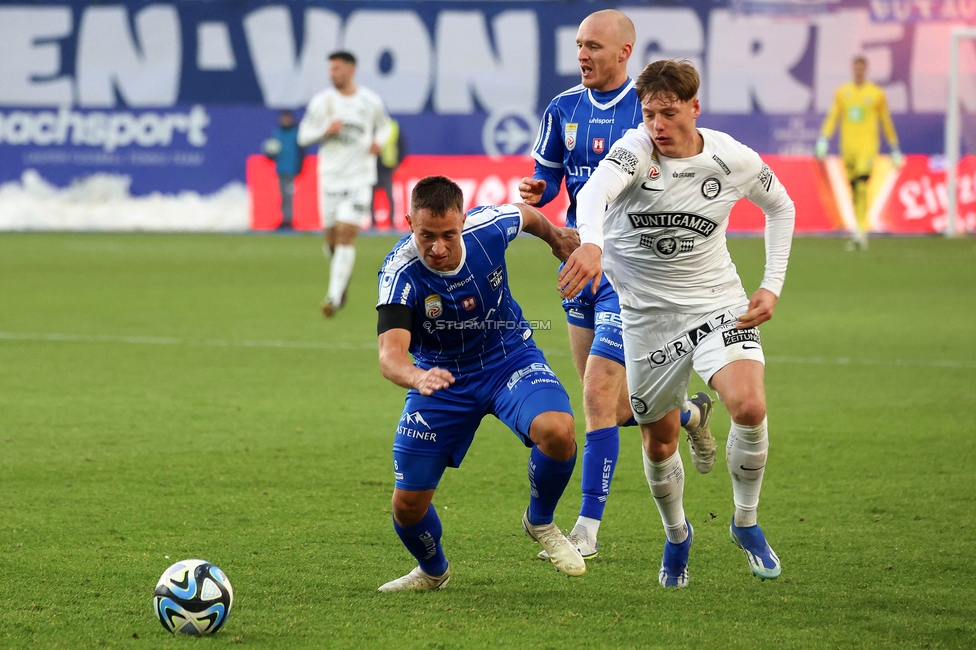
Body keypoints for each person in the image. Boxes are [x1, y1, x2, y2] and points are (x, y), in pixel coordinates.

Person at [559, 59, 795, 588]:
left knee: (750, 405)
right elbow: (592, 193)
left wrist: (771, 284)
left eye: (668, 113)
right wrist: (592, 241)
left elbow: (780, 206)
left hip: (716, 304)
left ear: (695, 107)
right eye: (649, 114)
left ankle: (745, 522)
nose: (657, 125)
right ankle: (677, 535)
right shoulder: (634, 150)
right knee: (659, 441)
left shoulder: (731, 157)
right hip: (645, 319)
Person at [519, 9, 713, 561]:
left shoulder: (646, 108)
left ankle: (587, 528)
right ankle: (692, 414)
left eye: (594, 46)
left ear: (625, 52)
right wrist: (540, 188)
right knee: (614, 403)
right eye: (579, 44)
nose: (583, 54)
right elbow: (552, 177)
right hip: (581, 263)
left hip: (629, 269)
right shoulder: (562, 109)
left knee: (599, 395)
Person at [375, 176, 585, 591]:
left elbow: (526, 216)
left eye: (448, 235)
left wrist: (556, 238)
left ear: (464, 221)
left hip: (508, 357)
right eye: (426, 236)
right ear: (408, 223)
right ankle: (433, 572)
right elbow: (390, 356)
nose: (437, 247)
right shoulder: (399, 273)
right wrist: (418, 376)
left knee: (558, 430)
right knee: (407, 506)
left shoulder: (488, 226)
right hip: (441, 378)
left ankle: (540, 522)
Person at [298, 51, 391, 317]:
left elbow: (385, 127)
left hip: (360, 177)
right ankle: (342, 278)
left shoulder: (370, 101)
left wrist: (379, 142)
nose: (332, 73)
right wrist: (324, 130)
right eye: (330, 69)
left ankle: (333, 297)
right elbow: (303, 136)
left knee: (346, 234)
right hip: (330, 178)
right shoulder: (322, 103)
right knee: (331, 240)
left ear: (351, 69)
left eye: (337, 68)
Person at [816, 55, 902, 251]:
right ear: (852, 69)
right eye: (856, 68)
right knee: (855, 188)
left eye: (861, 68)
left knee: (862, 183)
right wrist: (824, 138)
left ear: (866, 69)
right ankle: (858, 228)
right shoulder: (843, 92)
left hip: (868, 148)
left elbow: (886, 121)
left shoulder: (876, 94)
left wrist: (894, 147)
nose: (858, 71)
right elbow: (833, 116)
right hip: (848, 148)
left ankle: (860, 231)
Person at [263, 110, 304, 230]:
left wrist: (300, 166)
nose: (285, 121)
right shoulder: (276, 133)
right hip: (281, 169)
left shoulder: (296, 133)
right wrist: (270, 153)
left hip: (293, 169)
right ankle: (285, 219)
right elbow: (271, 152)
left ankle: (290, 219)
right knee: (283, 195)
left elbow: (302, 151)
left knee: (290, 195)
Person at [372, 117, 407, 228]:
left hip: (387, 167)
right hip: (372, 167)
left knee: (389, 195)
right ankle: (373, 223)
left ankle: (392, 222)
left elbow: (402, 145)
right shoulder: (370, 124)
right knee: (370, 196)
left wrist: (397, 163)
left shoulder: (392, 126)